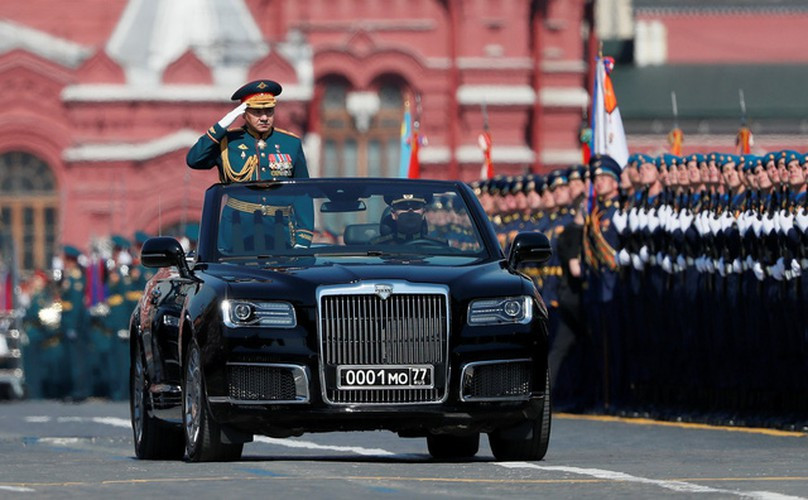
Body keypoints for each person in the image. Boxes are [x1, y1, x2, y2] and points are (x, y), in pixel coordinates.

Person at [187, 79, 309, 183]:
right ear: (244, 114)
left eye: (269, 111)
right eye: (257, 112)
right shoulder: (227, 142)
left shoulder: (291, 143)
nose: (264, 118)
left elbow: (302, 190)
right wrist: (221, 126)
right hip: (240, 205)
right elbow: (194, 160)